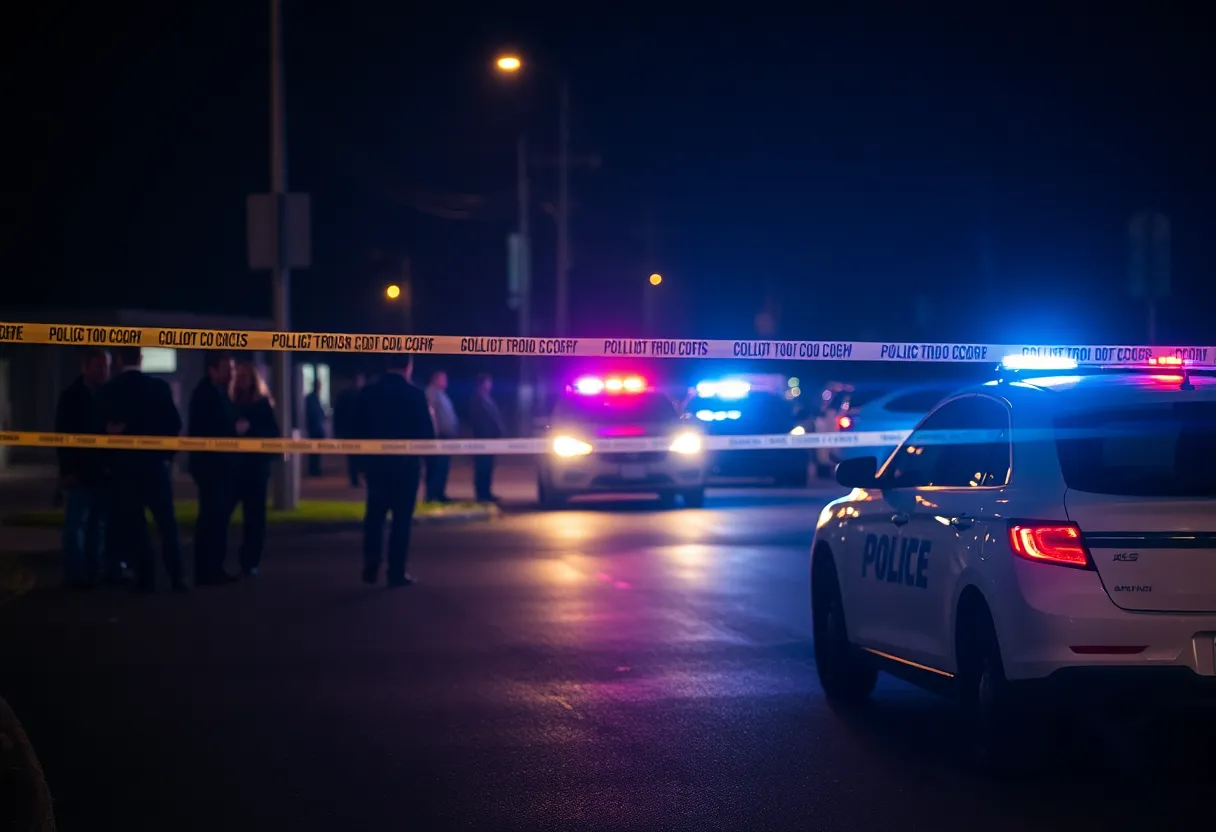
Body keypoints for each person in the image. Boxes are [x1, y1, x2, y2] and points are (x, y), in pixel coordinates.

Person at [98, 346, 187, 593]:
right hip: (155, 466)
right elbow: (174, 424)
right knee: (166, 524)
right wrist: (166, 457)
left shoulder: (110, 390)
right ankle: (177, 577)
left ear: (119, 360)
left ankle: (146, 578)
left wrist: (110, 461)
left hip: (125, 469)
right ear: (141, 358)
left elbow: (99, 430)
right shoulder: (158, 388)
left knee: (136, 525)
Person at [354, 355, 434, 587]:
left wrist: (361, 464)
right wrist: (428, 464)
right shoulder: (416, 395)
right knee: (401, 521)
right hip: (406, 468)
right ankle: (396, 572)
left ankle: (371, 563)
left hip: (376, 467)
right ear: (409, 367)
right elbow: (426, 434)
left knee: (374, 517)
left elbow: (356, 430)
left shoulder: (369, 392)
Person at [54, 347, 111, 587]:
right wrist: (67, 472)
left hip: (101, 472)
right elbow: (62, 437)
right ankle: (75, 574)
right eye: (99, 366)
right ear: (85, 367)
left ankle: (93, 572)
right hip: (79, 472)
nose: (104, 371)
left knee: (97, 525)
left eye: (106, 366)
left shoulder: (108, 396)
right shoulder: (71, 397)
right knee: (77, 524)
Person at [188, 352, 239, 585]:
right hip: (212, 469)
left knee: (216, 519)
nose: (231, 374)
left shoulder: (219, 393)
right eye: (227, 369)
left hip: (219, 468)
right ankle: (208, 570)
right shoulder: (206, 396)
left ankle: (213, 568)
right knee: (212, 519)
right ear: (212, 370)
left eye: (232, 369)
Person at [230, 361, 281, 577]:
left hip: (256, 469)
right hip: (233, 470)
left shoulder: (262, 405)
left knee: (255, 519)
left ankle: (250, 561)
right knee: (221, 513)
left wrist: (251, 430)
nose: (241, 380)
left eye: (245, 376)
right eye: (238, 376)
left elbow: (273, 434)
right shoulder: (230, 403)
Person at [467, 373, 505, 503]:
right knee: (481, 467)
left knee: (488, 467)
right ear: (482, 384)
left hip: (491, 440)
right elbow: (476, 420)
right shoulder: (476, 400)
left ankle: (487, 493)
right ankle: (481, 494)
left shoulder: (488, 399)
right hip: (482, 440)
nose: (490, 385)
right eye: (488, 382)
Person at [424, 369, 457, 502]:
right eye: (443, 379)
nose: (446, 381)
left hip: (446, 437)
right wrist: (435, 433)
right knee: (436, 467)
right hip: (438, 438)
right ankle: (431, 495)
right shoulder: (431, 392)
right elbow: (431, 413)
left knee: (443, 467)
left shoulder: (442, 394)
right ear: (436, 380)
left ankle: (440, 493)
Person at [333, 372, 365, 487]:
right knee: (356, 456)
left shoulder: (345, 395)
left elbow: (338, 414)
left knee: (353, 457)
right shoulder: (362, 395)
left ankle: (355, 478)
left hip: (351, 431)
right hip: (357, 431)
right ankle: (356, 478)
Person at [304, 381, 326, 477]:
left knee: (316, 451)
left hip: (316, 428)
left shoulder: (314, 398)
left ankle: (315, 469)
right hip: (315, 428)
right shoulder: (312, 398)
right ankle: (314, 469)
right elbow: (313, 413)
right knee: (314, 451)